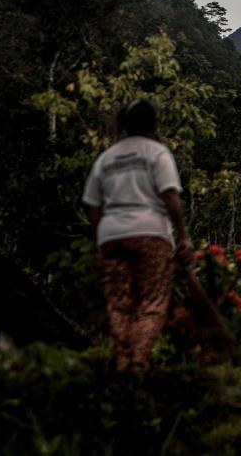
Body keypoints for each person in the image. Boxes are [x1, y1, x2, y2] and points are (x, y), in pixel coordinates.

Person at [82, 99, 191, 373]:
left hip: (111, 236)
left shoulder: (106, 157)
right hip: (150, 233)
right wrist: (183, 236)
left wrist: (101, 237)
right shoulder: (156, 153)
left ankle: (121, 362)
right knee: (152, 303)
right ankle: (137, 365)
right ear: (154, 124)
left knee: (119, 304)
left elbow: (92, 204)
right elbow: (170, 197)